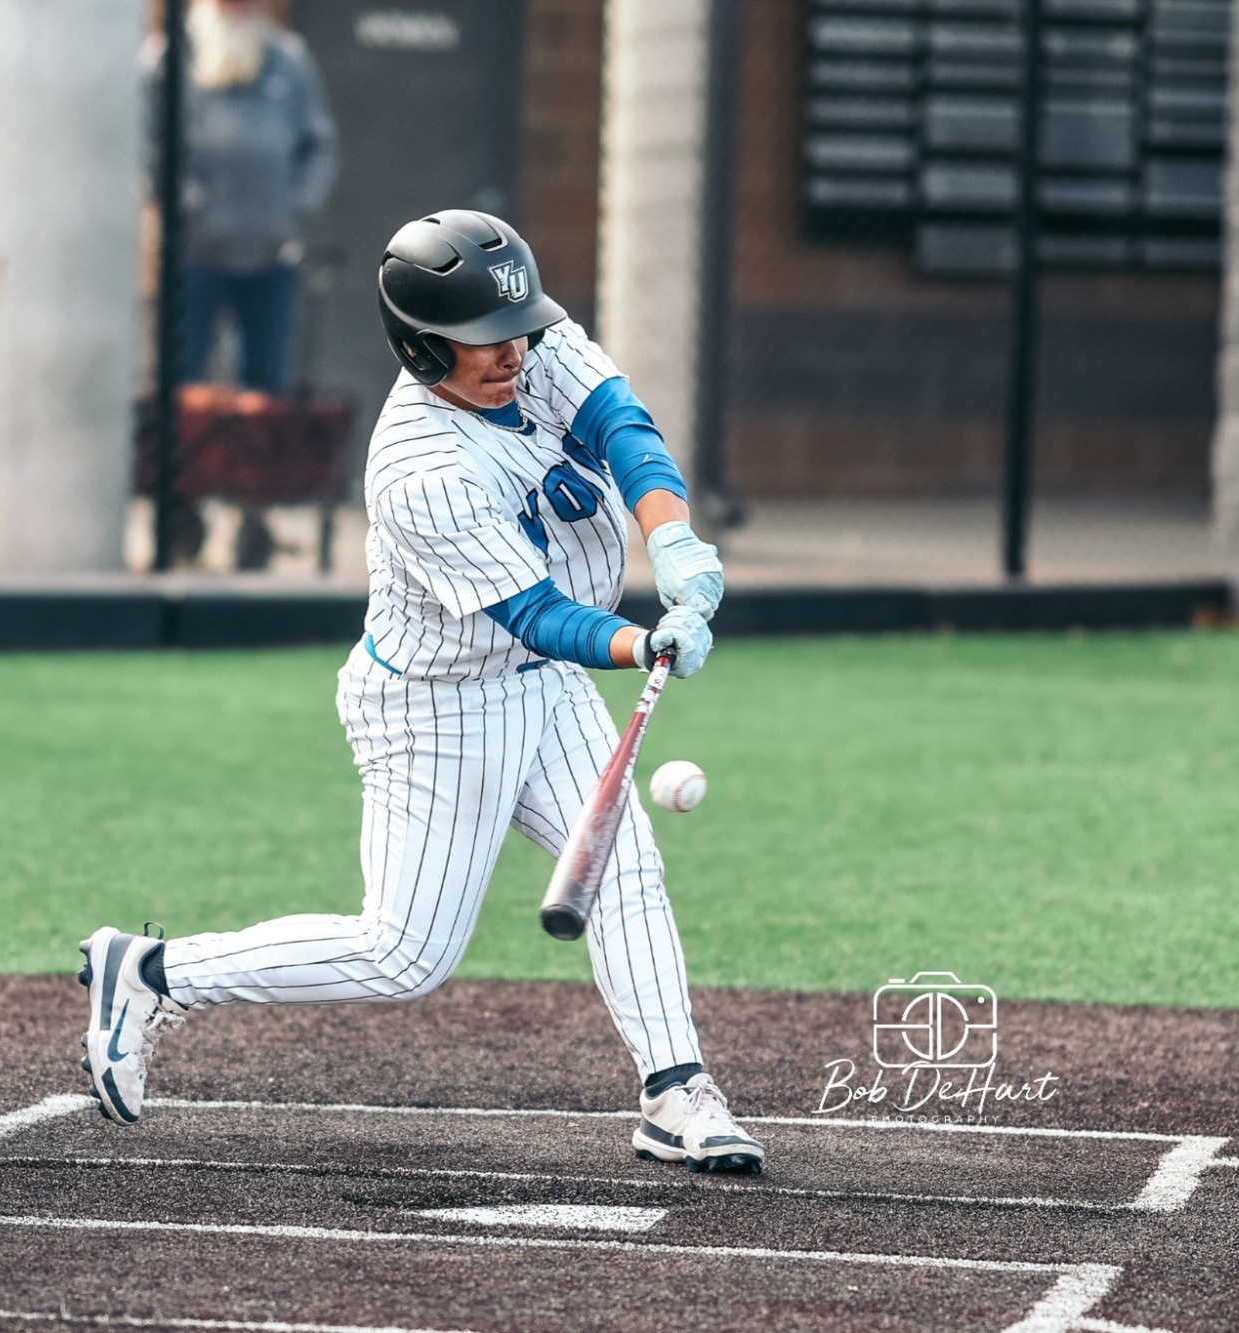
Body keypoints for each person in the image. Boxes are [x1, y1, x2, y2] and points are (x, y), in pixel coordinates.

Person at [78, 210, 764, 1175]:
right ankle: (154, 972)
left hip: (545, 687)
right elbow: (534, 615)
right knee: (405, 955)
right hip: (439, 708)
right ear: (422, 346)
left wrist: (674, 537)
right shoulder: (420, 468)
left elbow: (623, 425)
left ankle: (675, 1091)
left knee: (626, 867)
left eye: (519, 328)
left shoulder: (529, 342)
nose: (513, 352)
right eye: (485, 340)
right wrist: (641, 641)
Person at [154, 0, 339, 393]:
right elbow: (152, 146)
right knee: (184, 379)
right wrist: (186, 205)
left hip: (272, 251)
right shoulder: (172, 58)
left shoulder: (290, 60)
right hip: (194, 250)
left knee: (266, 383)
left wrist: (294, 209)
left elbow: (320, 146)